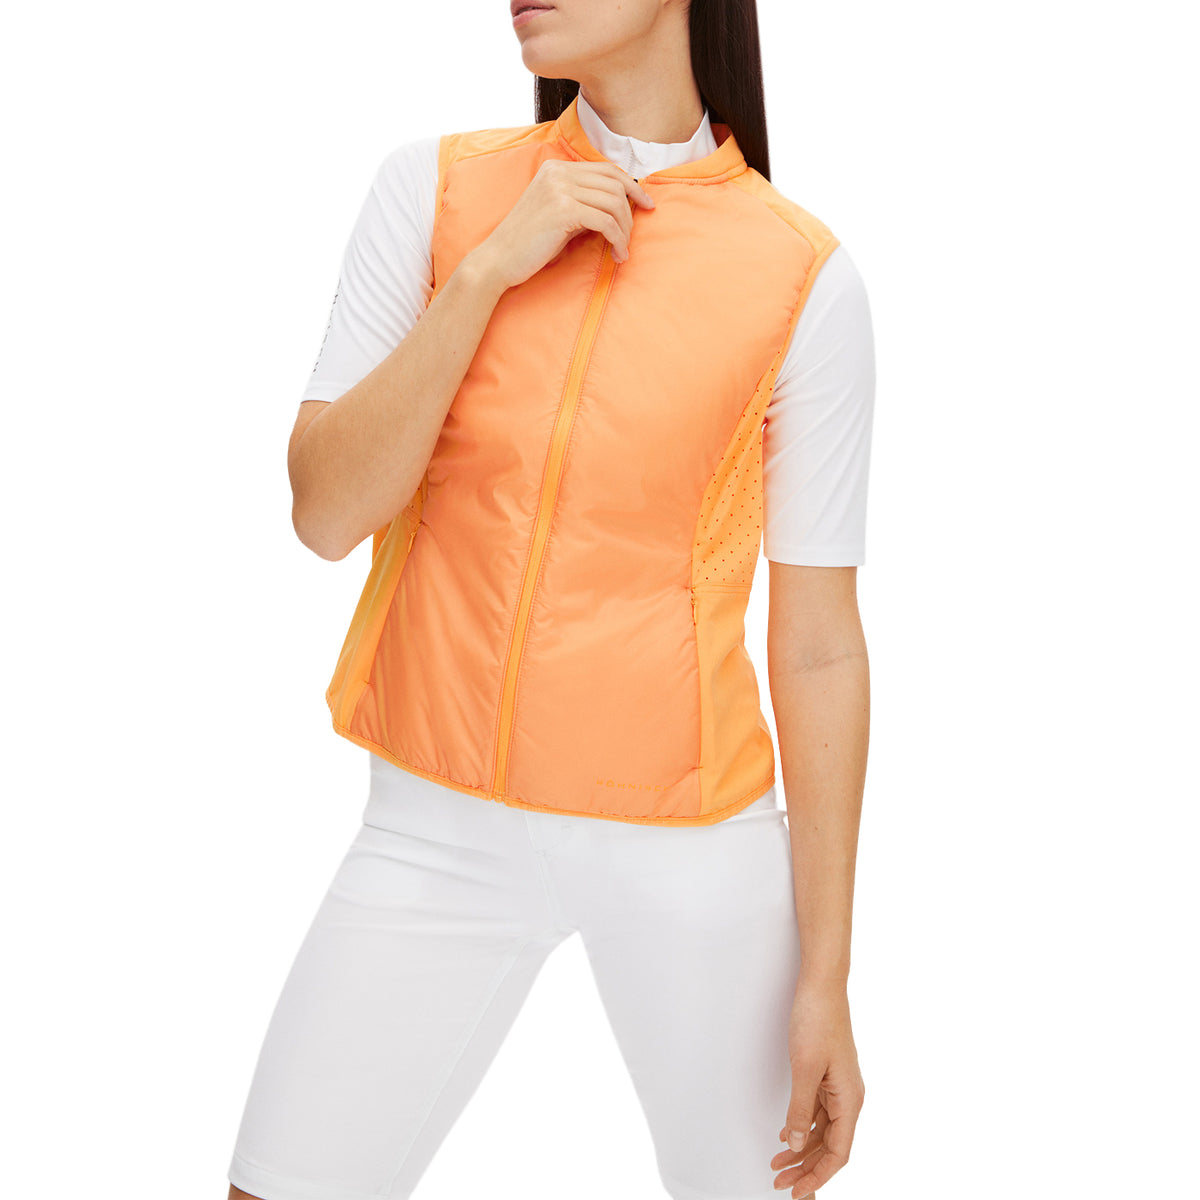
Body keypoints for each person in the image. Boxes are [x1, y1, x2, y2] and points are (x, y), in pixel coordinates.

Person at [227, 1, 873, 1197]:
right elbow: (324, 512)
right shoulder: (435, 192)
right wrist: (485, 274)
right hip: (431, 829)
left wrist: (826, 977)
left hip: (690, 846)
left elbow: (820, 643)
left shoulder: (801, 277)